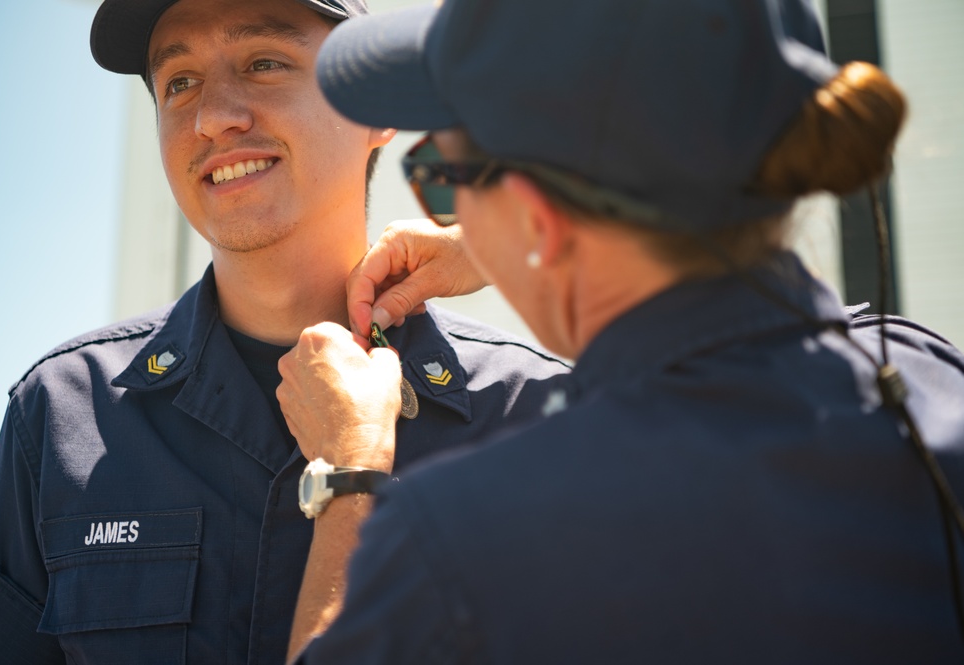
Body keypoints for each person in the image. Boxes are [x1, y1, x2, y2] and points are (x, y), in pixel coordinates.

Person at [279, 0, 964, 662]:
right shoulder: (929, 381)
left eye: (441, 177)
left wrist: (349, 474)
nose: (446, 211)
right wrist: (510, 237)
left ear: (539, 218)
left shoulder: (458, 542)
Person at [0, 0, 571, 663]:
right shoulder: (61, 415)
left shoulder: (541, 417)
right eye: (179, 84)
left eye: (262, 63)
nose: (212, 117)